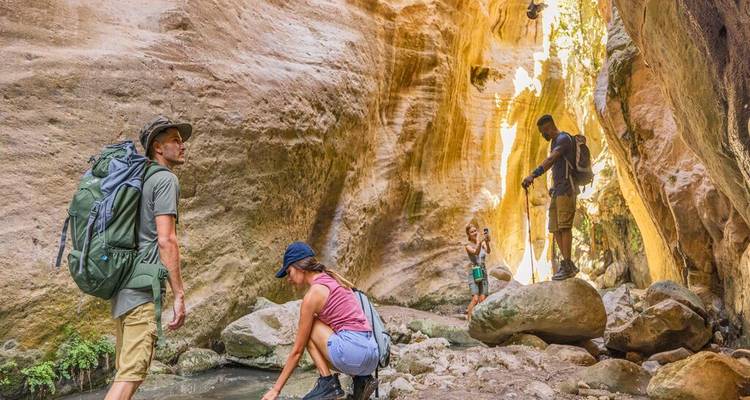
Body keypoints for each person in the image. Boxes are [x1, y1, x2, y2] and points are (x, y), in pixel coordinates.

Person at [105, 116, 190, 400]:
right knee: (130, 376)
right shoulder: (165, 179)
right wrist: (179, 295)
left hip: (122, 287)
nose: (183, 145)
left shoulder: (137, 179)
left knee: (127, 374)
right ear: (157, 147)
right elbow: (166, 240)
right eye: (176, 140)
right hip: (141, 291)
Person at [261, 242, 379, 400]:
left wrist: (276, 390)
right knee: (328, 325)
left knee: (308, 328)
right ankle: (361, 380)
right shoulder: (335, 281)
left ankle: (328, 383)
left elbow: (297, 351)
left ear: (299, 267)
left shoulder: (313, 295)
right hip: (372, 355)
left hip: (353, 354)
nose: (288, 279)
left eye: (289, 272)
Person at [521, 114, 579, 281]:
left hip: (568, 189)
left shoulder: (563, 139)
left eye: (542, 132)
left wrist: (534, 175)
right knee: (554, 227)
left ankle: (567, 264)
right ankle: (568, 264)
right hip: (558, 190)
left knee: (565, 226)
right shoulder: (555, 142)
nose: (542, 135)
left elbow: (552, 159)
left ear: (548, 128)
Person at [465, 224, 491, 322]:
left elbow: (488, 251)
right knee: (475, 299)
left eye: (475, 231)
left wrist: (487, 242)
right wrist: (479, 242)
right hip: (474, 271)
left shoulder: (483, 242)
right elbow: (476, 252)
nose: (474, 233)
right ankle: (469, 320)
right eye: (472, 232)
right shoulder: (467, 246)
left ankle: (480, 321)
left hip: (483, 271)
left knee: (483, 299)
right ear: (468, 234)